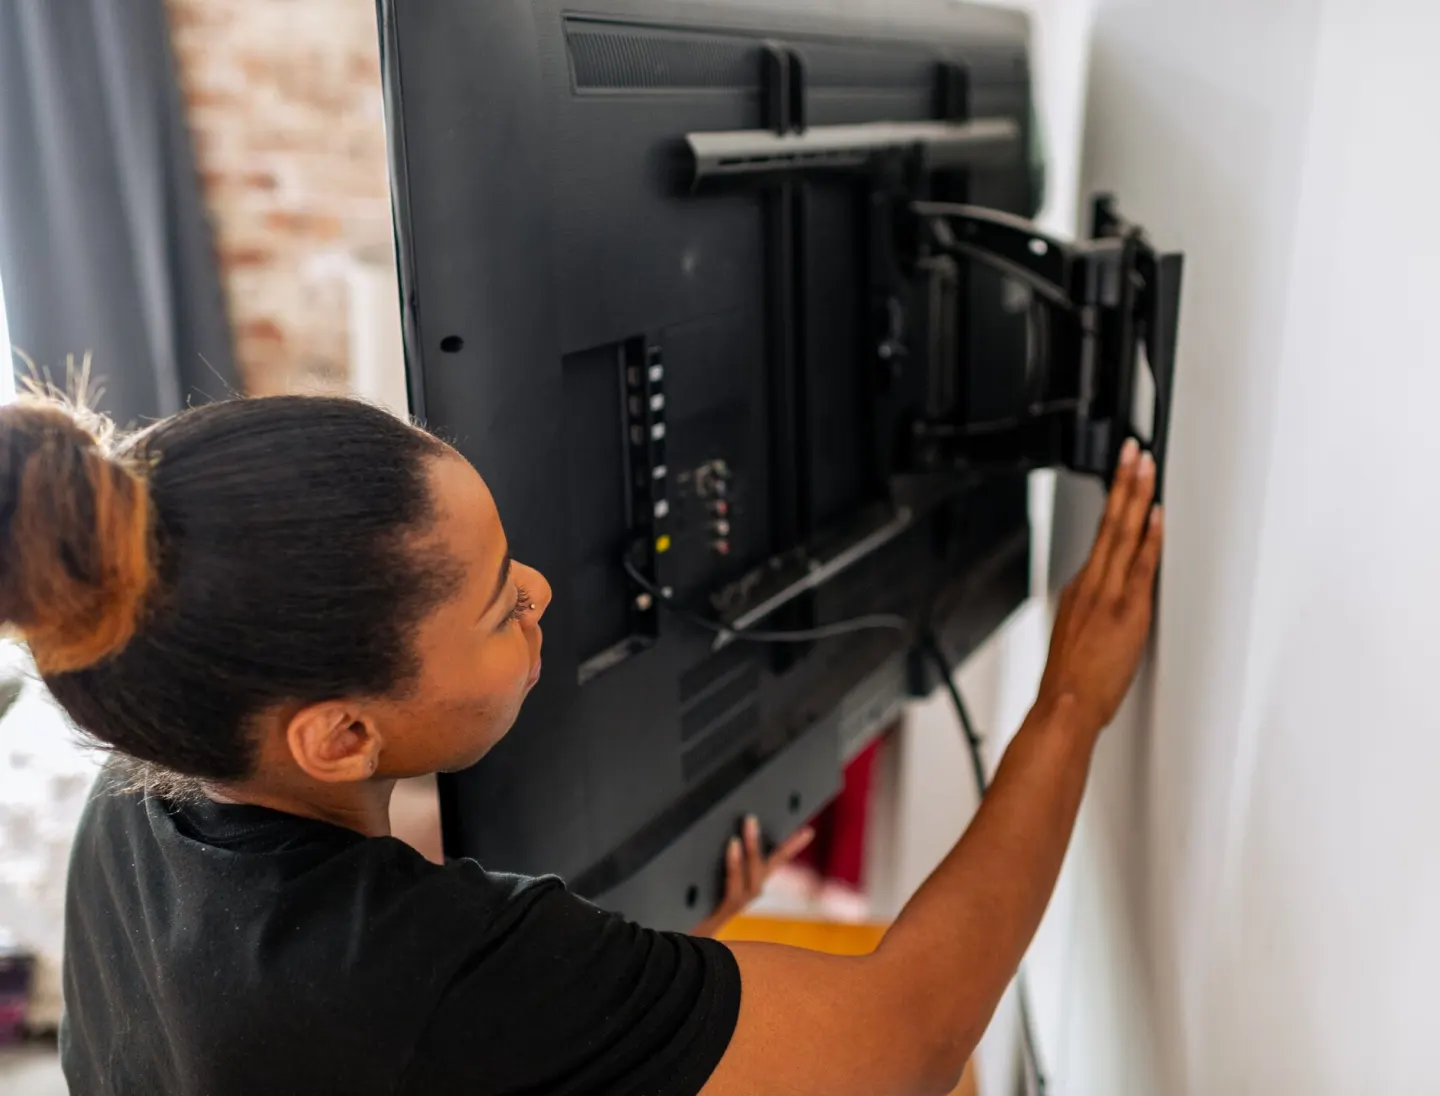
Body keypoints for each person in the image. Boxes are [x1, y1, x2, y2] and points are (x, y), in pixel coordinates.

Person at [0, 393, 1161, 1096]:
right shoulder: (385, 976)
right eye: (500, 602)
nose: (543, 591)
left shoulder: (139, 795)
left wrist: (620, 998)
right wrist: (1069, 702)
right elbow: (908, 1040)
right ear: (342, 733)